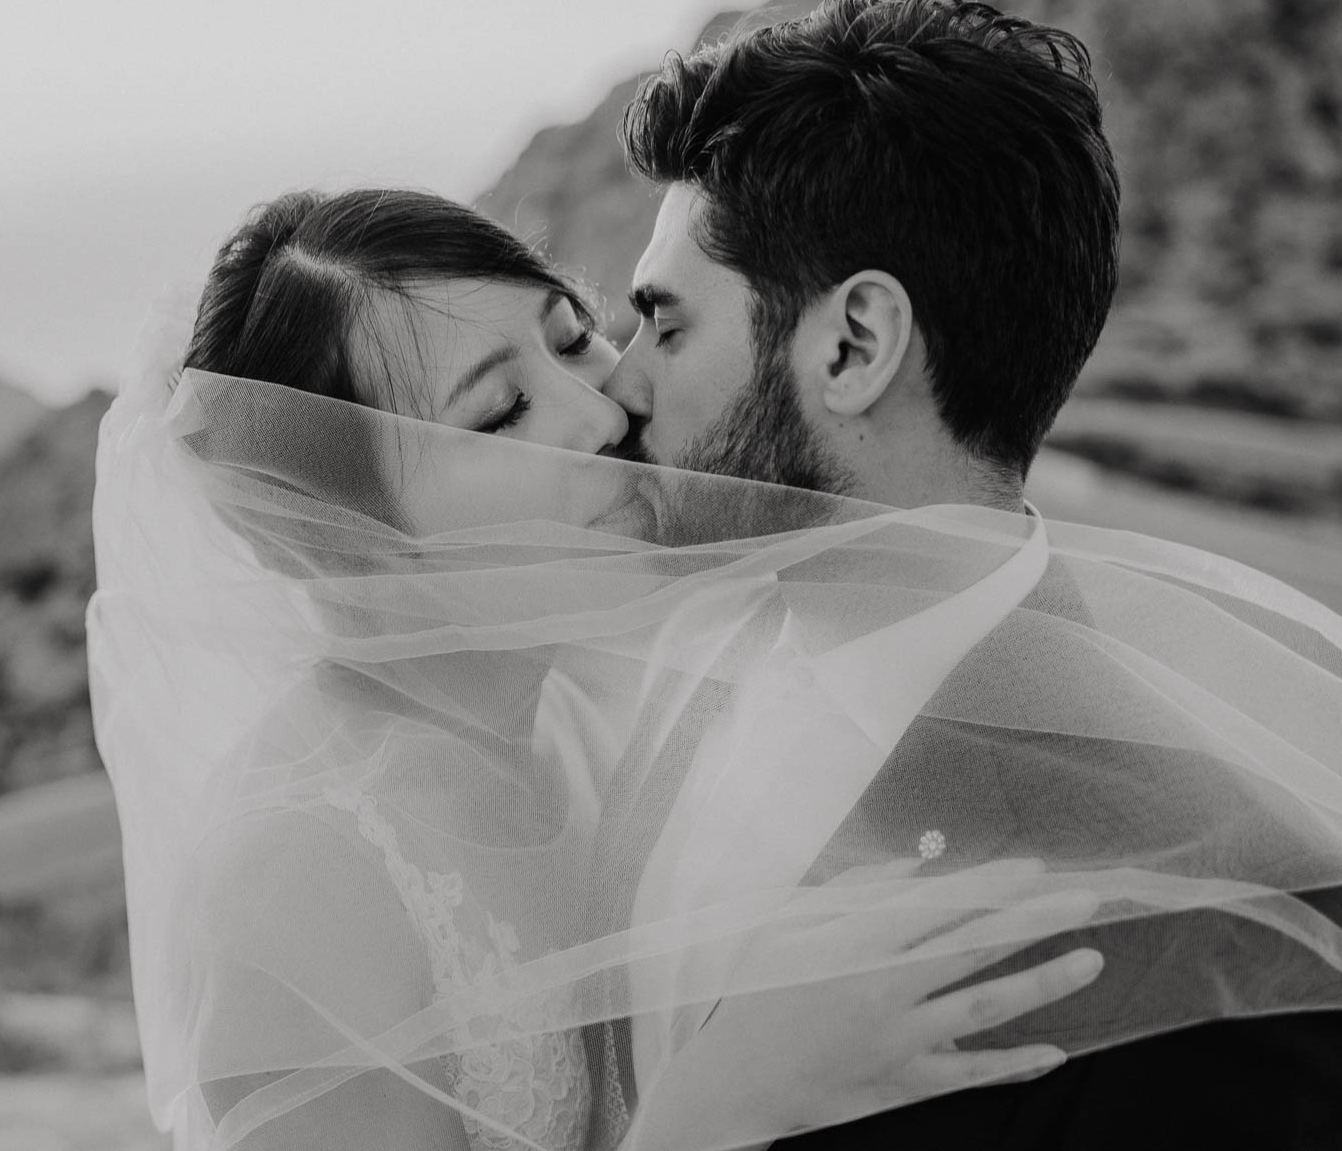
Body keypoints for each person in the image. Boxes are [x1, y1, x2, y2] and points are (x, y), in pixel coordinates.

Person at [88, 188, 1114, 1151]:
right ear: (335, 545)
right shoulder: (298, 884)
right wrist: (714, 1110)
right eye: (500, 414)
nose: (601, 412)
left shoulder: (597, 714)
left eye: (573, 338)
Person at [592, 0, 1342, 1149]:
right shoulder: (667, 680)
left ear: (854, 344)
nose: (618, 385)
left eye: (666, 325)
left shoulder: (1247, 921)